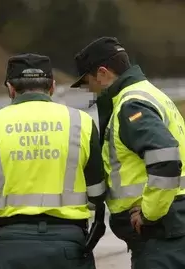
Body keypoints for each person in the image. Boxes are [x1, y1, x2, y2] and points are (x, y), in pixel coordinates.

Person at [0, 53, 107, 269]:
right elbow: (97, 194)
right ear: (52, 87)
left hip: (8, 247)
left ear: (10, 88)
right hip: (68, 246)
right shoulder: (81, 122)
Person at [71, 36, 185, 269]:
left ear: (102, 73)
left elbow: (166, 159)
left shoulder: (131, 104)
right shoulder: (151, 94)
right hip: (171, 228)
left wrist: (149, 214)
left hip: (161, 235)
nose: (89, 90)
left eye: (87, 82)